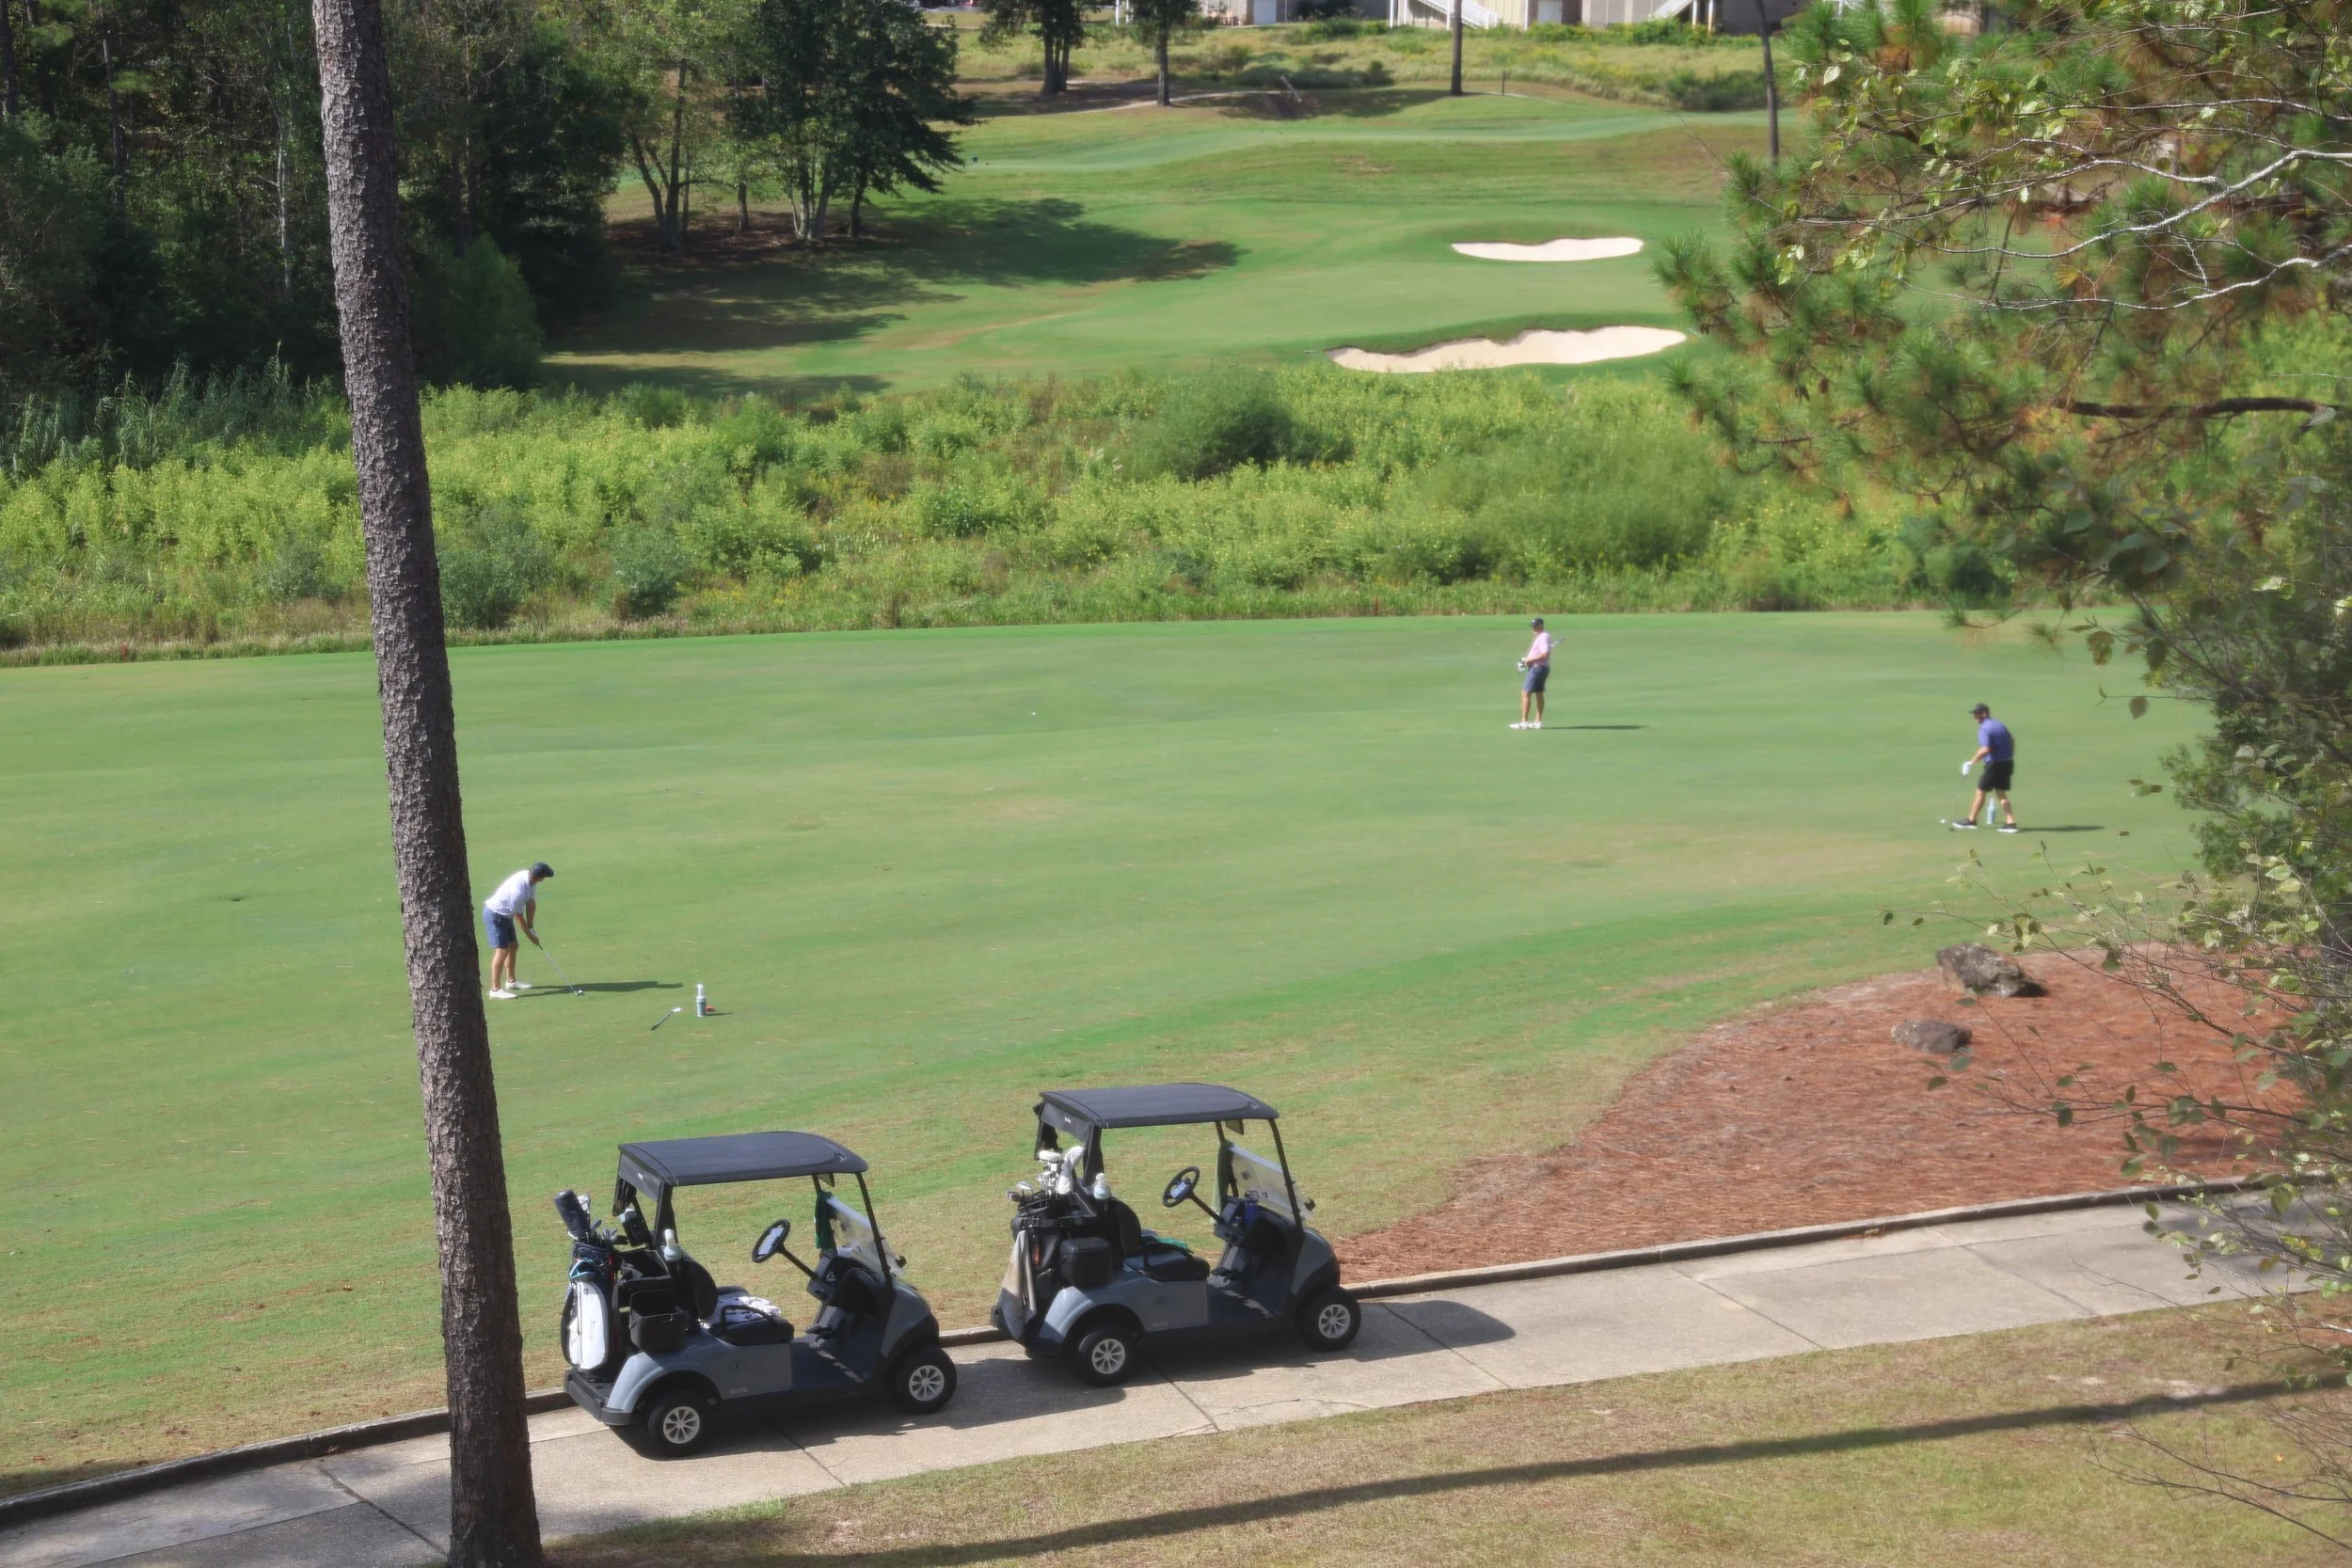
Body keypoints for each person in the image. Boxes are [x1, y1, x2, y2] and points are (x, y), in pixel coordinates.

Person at [483, 862, 553, 998]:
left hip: (506, 915)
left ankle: (511, 981)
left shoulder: (531, 880)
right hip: (495, 915)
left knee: (513, 946)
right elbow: (518, 917)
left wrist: (531, 928)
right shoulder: (518, 891)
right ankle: (495, 989)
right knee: (502, 951)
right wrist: (530, 936)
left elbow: (531, 903)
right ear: (539, 877)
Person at [1960, 704, 2018, 832]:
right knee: (2001, 793)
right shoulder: (1999, 724)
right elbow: (2012, 740)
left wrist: (1971, 762)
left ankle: (1971, 820)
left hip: (1994, 765)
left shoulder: (1985, 728)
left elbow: (1985, 749)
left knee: (1981, 791)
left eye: (1977, 713)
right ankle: (2011, 823)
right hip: (2007, 763)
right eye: (1974, 714)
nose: (1975, 716)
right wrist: (2009, 755)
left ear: (1985, 713)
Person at [1512, 617, 1552, 730]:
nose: (1533, 628)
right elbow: (1540, 653)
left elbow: (1544, 654)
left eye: (1535, 626)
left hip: (1537, 669)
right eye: (1532, 626)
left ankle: (1524, 722)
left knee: (1525, 693)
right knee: (1539, 693)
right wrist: (1527, 659)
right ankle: (1537, 722)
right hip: (1541, 668)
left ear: (1540, 626)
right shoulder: (1543, 636)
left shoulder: (1543, 637)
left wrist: (1529, 660)